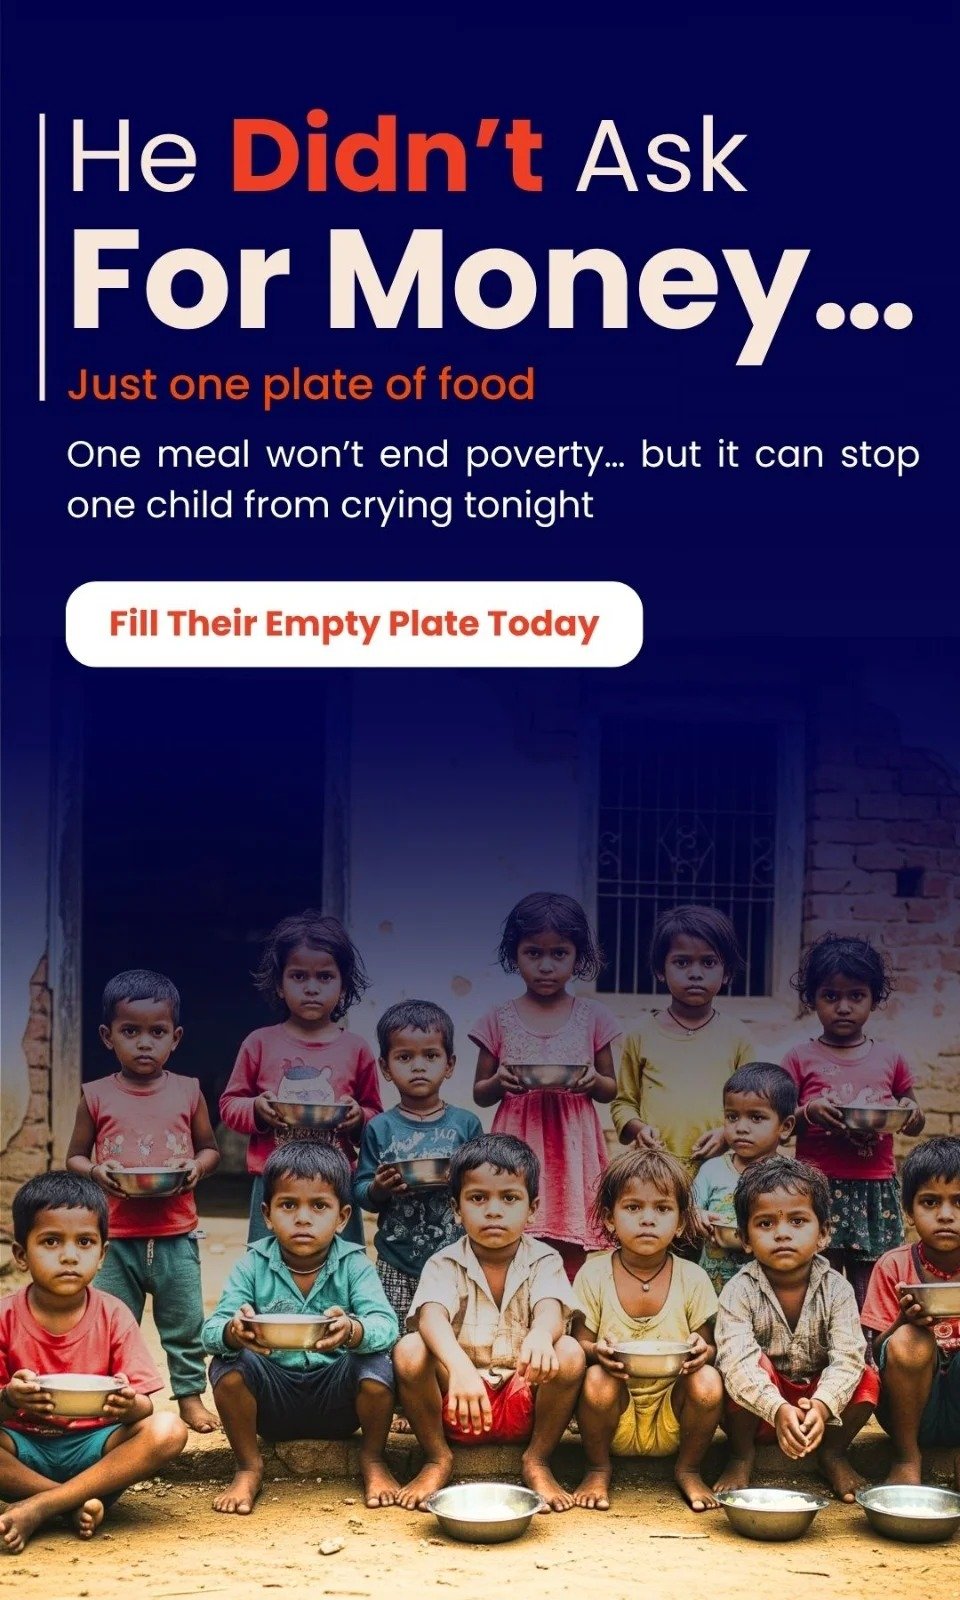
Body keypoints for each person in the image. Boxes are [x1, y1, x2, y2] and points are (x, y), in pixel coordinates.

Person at [202, 1142, 400, 1515]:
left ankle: (373, 1458)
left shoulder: (355, 1265)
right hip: (272, 1402)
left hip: (338, 1402)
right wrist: (233, 1331)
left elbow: (386, 1326)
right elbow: (210, 1331)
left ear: (342, 1217)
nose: (303, 1218)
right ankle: (248, 1466)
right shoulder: (252, 1265)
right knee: (227, 1365)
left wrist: (353, 1330)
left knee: (376, 1364)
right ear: (267, 1214)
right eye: (288, 1205)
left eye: (319, 1206)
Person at [393, 1134, 585, 1512]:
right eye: (478, 1198)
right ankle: (437, 1457)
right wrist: (460, 1368)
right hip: (460, 1403)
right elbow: (430, 1315)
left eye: (509, 1198)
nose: (493, 1211)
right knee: (410, 1349)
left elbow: (550, 1306)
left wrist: (541, 1335)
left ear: (532, 1208)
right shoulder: (444, 1262)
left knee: (569, 1351)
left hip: (522, 1399)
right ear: (456, 1208)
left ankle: (538, 1460)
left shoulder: (544, 1259)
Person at [66, 969, 221, 1433]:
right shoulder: (95, 1095)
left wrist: (197, 1168)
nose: (144, 1043)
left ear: (175, 1038)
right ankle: (116, 1399)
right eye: (130, 1031)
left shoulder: (188, 1091)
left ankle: (189, 1396)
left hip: (176, 1234)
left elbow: (209, 1148)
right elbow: (74, 1156)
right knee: (113, 1322)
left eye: (157, 1032)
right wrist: (95, 1172)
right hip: (116, 1236)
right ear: (107, 1036)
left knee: (185, 1323)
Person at [0, 1173, 186, 1554]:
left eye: (84, 1242)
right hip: (23, 1449)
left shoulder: (114, 1315)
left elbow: (144, 1407)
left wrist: (128, 1404)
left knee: (169, 1429)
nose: (69, 1256)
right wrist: (10, 1398)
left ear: (102, 1255)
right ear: (21, 1255)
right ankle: (70, 1501)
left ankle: (42, 1506)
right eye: (51, 1241)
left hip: (97, 1448)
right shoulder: (4, 1317)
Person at [471, 892, 621, 1282]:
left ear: (578, 956)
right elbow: (480, 1092)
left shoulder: (593, 1016)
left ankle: (566, 1304)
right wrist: (498, 1082)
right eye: (533, 953)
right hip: (519, 1137)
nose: (546, 965)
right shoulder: (498, 1018)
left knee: (572, 1230)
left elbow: (610, 1088)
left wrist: (593, 1081)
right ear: (514, 954)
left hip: (572, 1143)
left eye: (559, 953)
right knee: (515, 1227)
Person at [714, 1154, 879, 1502]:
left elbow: (848, 1357)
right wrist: (776, 1408)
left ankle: (832, 1454)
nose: (782, 1233)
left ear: (823, 1234)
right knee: (742, 1369)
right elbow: (737, 1363)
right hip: (759, 1412)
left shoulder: (837, 1289)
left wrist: (822, 1405)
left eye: (798, 1221)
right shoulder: (737, 1291)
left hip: (818, 1412)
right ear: (744, 1238)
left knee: (866, 1378)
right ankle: (741, 1455)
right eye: (765, 1223)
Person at [571, 1149, 722, 1513]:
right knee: (596, 1378)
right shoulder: (593, 1275)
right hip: (613, 1413)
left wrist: (702, 1350)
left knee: (708, 1381)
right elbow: (579, 1344)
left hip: (673, 1413)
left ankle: (689, 1468)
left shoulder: (693, 1277)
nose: (648, 1219)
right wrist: (597, 1351)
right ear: (609, 1218)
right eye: (633, 1207)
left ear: (681, 1222)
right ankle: (597, 1468)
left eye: (663, 1208)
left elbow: (709, 1348)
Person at [219, 910, 382, 1247]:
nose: (311, 987)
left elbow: (376, 1116)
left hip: (336, 1182)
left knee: (341, 1264)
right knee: (267, 1263)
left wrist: (358, 1119)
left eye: (325, 977)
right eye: (298, 976)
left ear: (343, 985)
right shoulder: (259, 1043)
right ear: (279, 985)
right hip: (275, 1181)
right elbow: (229, 1105)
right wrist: (256, 1109)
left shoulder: (356, 1048)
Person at [782, 932, 924, 1308]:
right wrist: (808, 1112)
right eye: (830, 996)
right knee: (819, 1278)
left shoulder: (890, 1058)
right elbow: (778, 1125)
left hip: (874, 1189)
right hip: (817, 1186)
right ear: (812, 999)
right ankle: (822, 1342)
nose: (843, 1007)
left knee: (872, 1282)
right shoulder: (799, 1058)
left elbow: (913, 1117)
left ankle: (871, 1344)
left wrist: (909, 1112)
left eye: (856, 996)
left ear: (873, 999)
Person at [354, 1000, 482, 1326]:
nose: (418, 1066)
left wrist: (461, 1179)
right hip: (396, 1259)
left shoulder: (466, 1124)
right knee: (393, 1337)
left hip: (456, 1256)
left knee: (452, 1333)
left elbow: (481, 1186)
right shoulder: (379, 1128)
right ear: (385, 1068)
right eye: (404, 1057)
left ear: (449, 1064)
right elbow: (361, 1192)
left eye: (431, 1056)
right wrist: (380, 1188)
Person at [612, 905, 753, 1165]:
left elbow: (753, 1108)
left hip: (720, 1168)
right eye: (682, 962)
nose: (695, 973)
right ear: (660, 970)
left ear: (727, 973)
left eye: (709, 962)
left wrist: (726, 1134)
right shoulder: (641, 1034)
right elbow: (623, 1104)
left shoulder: (737, 1037)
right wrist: (639, 1129)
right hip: (657, 1167)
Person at [861, 1135, 960, 1491]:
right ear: (908, 1211)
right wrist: (904, 1321)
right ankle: (906, 1458)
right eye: (930, 1202)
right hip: (908, 1411)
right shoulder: (894, 1266)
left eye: (959, 1202)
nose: (945, 1215)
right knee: (908, 1340)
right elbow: (876, 1353)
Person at [692, 1063, 797, 1292]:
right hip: (715, 1288)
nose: (741, 1128)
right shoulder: (712, 1170)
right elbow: (689, 1210)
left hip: (768, 1290)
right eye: (732, 1117)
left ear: (785, 1126)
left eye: (756, 1118)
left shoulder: (791, 1177)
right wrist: (697, 1216)